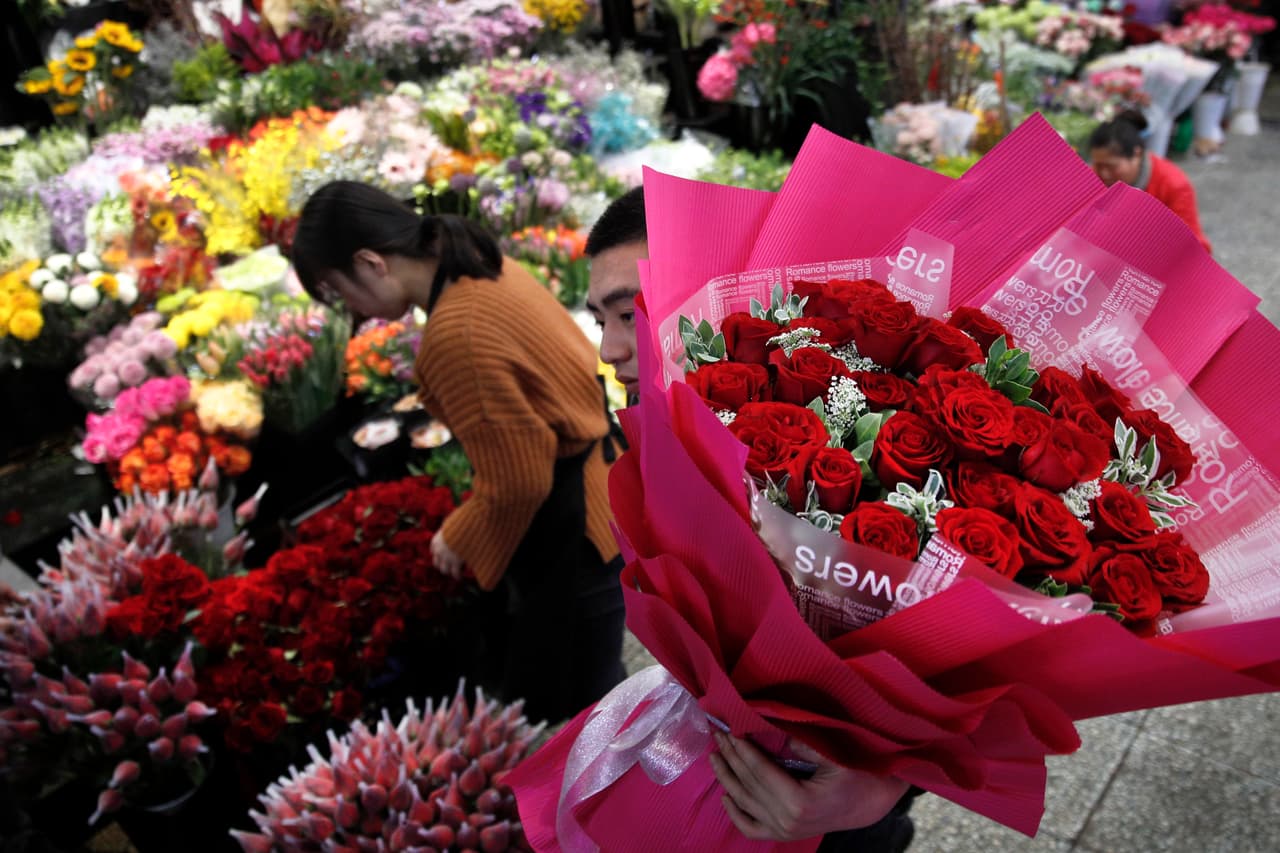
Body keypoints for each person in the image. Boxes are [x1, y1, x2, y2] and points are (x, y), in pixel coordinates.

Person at [585, 187, 918, 852]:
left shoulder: (848, 434)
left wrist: (881, 785)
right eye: (599, 319)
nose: (610, 347)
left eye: (626, 314)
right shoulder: (661, 435)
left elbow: (944, 653)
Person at [291, 181, 627, 724]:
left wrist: (459, 533)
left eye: (337, 291)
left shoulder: (456, 331)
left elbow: (519, 480)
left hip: (573, 526)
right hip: (601, 489)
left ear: (370, 262)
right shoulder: (480, 264)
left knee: (581, 713)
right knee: (601, 691)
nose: (352, 313)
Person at [1088, 112, 1213, 254]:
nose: (1104, 173)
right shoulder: (1093, 177)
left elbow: (1196, 249)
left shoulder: (1173, 185)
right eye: (1098, 165)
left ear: (1137, 154)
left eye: (1112, 166)